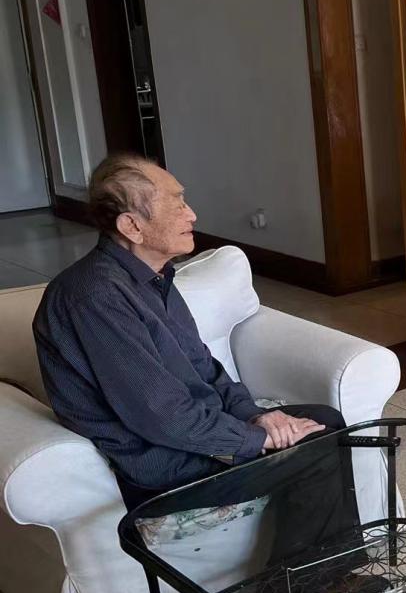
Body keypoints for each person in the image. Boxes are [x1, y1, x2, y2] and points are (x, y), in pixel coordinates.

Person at [33, 154, 350, 509]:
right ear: (132, 226)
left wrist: (254, 415)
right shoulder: (95, 295)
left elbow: (203, 366)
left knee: (323, 420)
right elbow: (161, 416)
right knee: (318, 441)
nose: (192, 215)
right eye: (177, 205)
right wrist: (257, 439)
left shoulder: (155, 277)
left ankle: (319, 546)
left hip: (194, 433)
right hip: (164, 463)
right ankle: (324, 549)